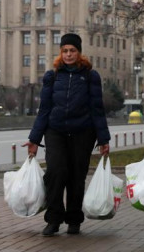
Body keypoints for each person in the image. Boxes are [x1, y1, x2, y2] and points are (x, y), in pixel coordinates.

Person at [23, 33, 111, 236]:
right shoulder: (52, 76)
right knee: (55, 172)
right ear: (60, 52)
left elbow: (97, 109)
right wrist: (34, 139)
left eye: (72, 50)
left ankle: (73, 220)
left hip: (83, 132)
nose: (69, 54)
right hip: (56, 132)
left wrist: (103, 139)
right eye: (65, 51)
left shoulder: (90, 76)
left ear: (79, 53)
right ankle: (53, 219)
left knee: (76, 177)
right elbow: (44, 109)